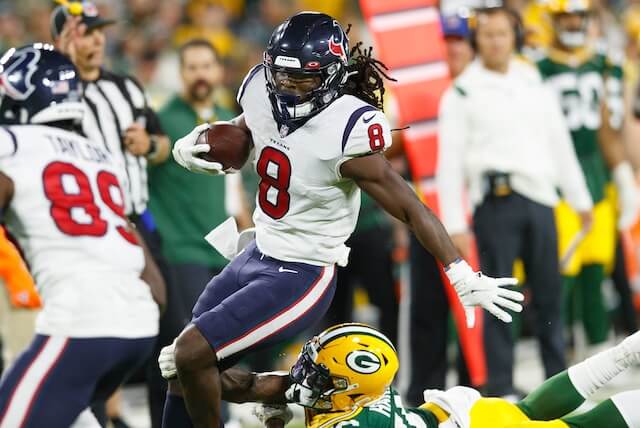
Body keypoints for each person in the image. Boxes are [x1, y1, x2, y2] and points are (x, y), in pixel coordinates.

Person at [159, 11, 525, 428]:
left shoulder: (346, 128)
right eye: (281, 76)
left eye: (302, 81)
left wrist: (459, 271)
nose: (288, 88)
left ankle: (286, 391)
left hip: (301, 272)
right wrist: (202, 142)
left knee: (191, 355)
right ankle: (289, 389)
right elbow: (246, 132)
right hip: (257, 251)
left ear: (330, 76)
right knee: (178, 365)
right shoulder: (262, 87)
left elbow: (410, 206)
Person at [0, 44, 164, 427]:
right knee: (70, 412)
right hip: (140, 323)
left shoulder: (11, 143)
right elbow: (157, 287)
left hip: (80, 320)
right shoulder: (99, 156)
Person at [437, 5, 594, 398]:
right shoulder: (462, 91)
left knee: (550, 296)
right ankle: (502, 387)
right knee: (498, 298)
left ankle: (558, 383)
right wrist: (454, 224)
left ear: (515, 37)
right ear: (477, 40)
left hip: (540, 197)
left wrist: (579, 197)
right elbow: (449, 164)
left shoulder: (532, 80)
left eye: (503, 34)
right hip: (495, 203)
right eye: (488, 34)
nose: (495, 42)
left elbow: (558, 143)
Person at [239, 323, 640, 428]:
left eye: (319, 374)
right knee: (528, 410)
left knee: (577, 427)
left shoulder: (348, 421)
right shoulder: (360, 398)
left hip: (469, 425)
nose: (306, 377)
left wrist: (276, 421)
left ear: (352, 386)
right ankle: (626, 352)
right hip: (461, 414)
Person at [146, 38, 243, 427]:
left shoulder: (228, 118)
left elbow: (233, 187)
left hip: (221, 251)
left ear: (218, 71)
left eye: (206, 66)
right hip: (178, 249)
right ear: (181, 73)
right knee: (184, 349)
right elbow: (152, 150)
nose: (200, 74)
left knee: (220, 346)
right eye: (192, 67)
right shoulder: (164, 119)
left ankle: (219, 418)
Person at [537, 0, 640, 354]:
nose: (572, 24)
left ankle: (598, 351)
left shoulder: (606, 64)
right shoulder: (536, 67)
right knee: (562, 271)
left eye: (577, 17)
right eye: (565, 17)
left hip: (597, 175)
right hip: (556, 179)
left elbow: (611, 127)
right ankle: (559, 351)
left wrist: (624, 176)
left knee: (597, 268)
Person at [403, 12, 478, 406]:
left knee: (475, 303)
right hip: (427, 215)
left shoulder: (484, 88)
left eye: (459, 41)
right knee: (428, 308)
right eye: (446, 42)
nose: (452, 49)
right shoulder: (414, 92)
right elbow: (393, 149)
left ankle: (474, 387)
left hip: (477, 213)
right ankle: (424, 395)